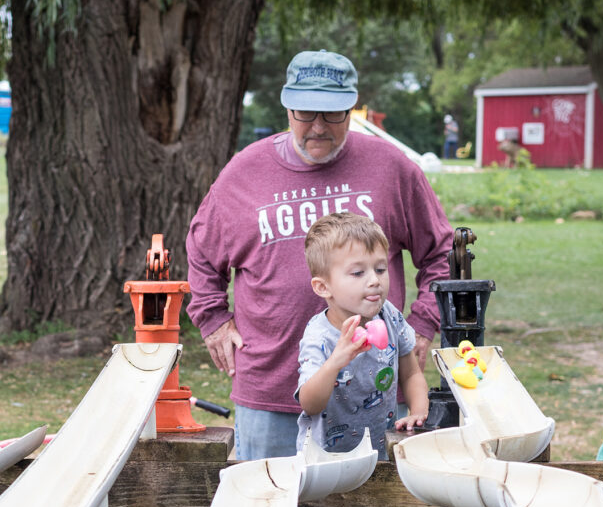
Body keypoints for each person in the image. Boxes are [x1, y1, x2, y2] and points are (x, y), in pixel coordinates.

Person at [186, 48, 453, 460]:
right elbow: (202, 249)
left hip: (375, 397)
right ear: (286, 106)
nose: (317, 127)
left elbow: (442, 250)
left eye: (332, 114)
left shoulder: (390, 167)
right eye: (305, 113)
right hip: (270, 394)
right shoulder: (245, 172)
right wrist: (213, 319)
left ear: (351, 109)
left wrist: (421, 324)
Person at [296, 213, 428, 459]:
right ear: (323, 287)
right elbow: (309, 404)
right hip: (327, 463)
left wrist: (418, 413)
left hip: (382, 455)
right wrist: (336, 361)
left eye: (380, 269)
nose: (374, 281)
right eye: (358, 273)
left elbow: (411, 373)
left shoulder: (389, 315)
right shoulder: (320, 336)